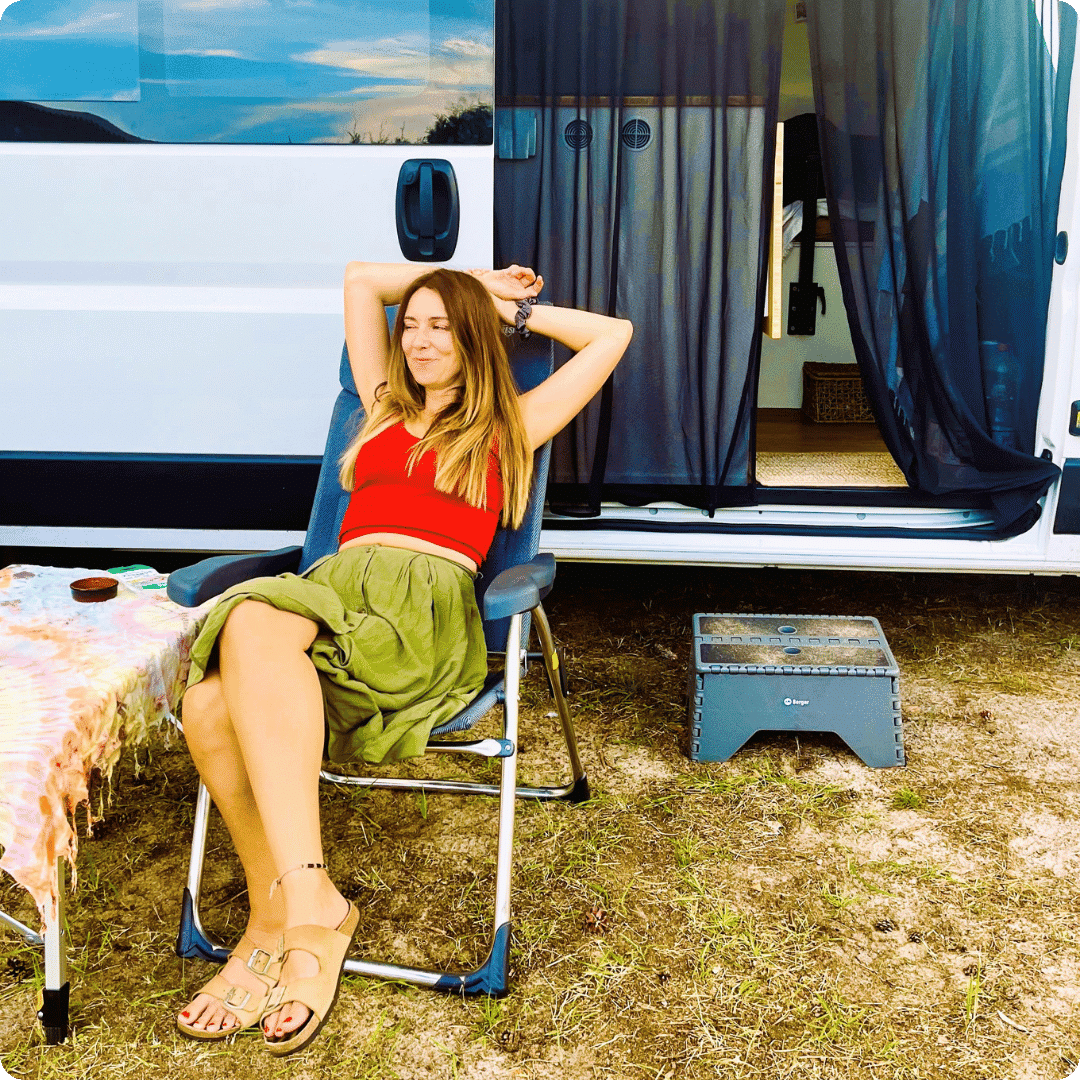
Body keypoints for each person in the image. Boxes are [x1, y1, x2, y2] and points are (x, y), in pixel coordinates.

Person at [174, 261, 633, 1054]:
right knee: (208, 698)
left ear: (476, 341)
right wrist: (469, 279)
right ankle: (290, 909)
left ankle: (291, 921)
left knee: (243, 634)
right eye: (412, 325)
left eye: (442, 328)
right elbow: (359, 281)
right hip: (333, 593)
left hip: (421, 611)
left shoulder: (511, 425)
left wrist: (506, 311)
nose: (419, 341)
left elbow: (610, 336)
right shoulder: (381, 403)